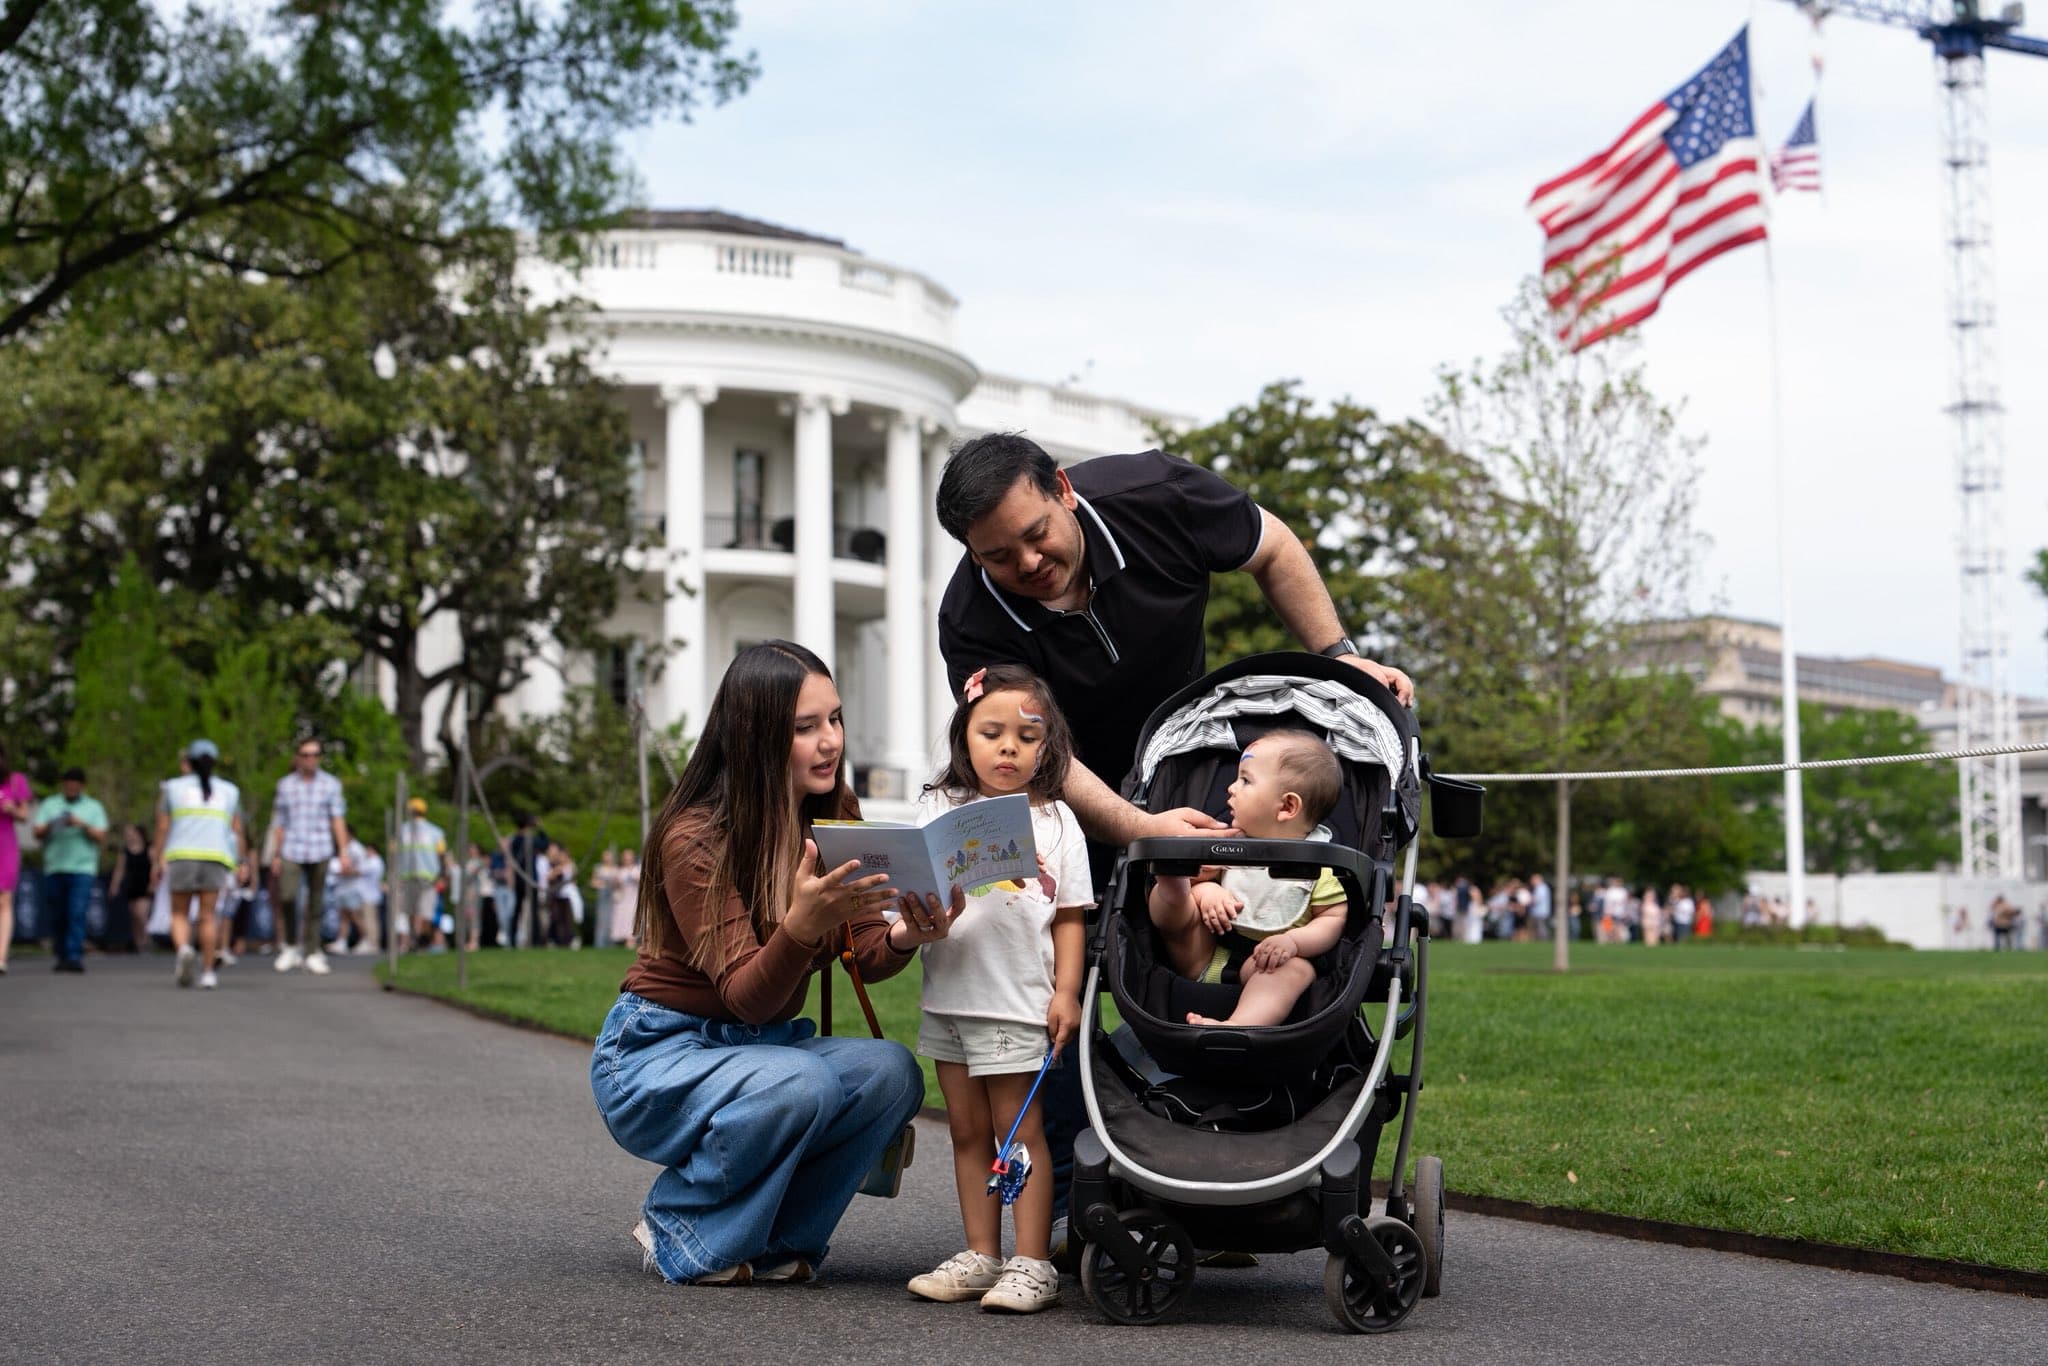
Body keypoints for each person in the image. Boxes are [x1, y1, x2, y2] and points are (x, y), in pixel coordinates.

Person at [933, 432, 1416, 1221]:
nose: (1027, 562)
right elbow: (1035, 748)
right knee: (1050, 975)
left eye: (1036, 534)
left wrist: (1338, 654)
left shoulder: (1156, 496)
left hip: (1183, 761)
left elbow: (1273, 547)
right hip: (1065, 793)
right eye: (997, 556)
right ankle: (1078, 1200)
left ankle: (1213, 1158)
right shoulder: (970, 619)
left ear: (1063, 490)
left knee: (1172, 953)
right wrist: (1140, 826)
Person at [591, 640, 958, 1286]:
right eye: (805, 727)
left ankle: (775, 1241)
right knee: (801, 1081)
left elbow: (866, 950)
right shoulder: (695, 836)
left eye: (835, 719)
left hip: (758, 1050)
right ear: (757, 736)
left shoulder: (834, 811)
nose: (831, 741)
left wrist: (907, 934)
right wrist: (801, 927)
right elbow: (748, 997)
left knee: (892, 1073)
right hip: (656, 1053)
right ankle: (681, 1223)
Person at [905, 664, 1093, 1314]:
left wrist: (1067, 992)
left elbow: (1071, 918)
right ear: (965, 735)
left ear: (1048, 744)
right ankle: (981, 1254)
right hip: (948, 1000)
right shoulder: (938, 807)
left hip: (1015, 1004)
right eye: (992, 733)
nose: (1008, 747)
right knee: (966, 1132)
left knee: (1019, 1134)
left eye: (1026, 735)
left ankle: (1032, 1262)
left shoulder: (1059, 821)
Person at [1148, 730, 1346, 1028]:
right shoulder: (1226, 842)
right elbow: (1201, 883)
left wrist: (1293, 942)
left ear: (1287, 807)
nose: (1231, 788)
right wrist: (1206, 892)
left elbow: (1333, 917)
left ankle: (1235, 1026)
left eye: (1245, 780)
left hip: (1267, 964)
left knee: (1296, 970)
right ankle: (1171, 881)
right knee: (1180, 904)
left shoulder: (1318, 864)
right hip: (1206, 955)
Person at [152, 740, 246, 990]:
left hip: (182, 856)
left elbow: (162, 826)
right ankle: (208, 972)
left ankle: (184, 949)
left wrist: (157, 858)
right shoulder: (229, 791)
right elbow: (237, 830)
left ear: (189, 762)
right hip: (215, 857)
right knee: (208, 916)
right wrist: (242, 861)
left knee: (179, 913)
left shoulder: (172, 788)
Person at [267, 738, 350, 975]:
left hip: (320, 847)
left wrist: (343, 851)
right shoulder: (285, 785)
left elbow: (337, 819)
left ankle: (312, 951)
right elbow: (279, 822)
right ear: (297, 757)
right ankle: (291, 945)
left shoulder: (330, 784)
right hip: (291, 848)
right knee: (287, 896)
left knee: (316, 902)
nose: (310, 759)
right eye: (305, 754)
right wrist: (276, 854)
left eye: (314, 754)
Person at [33, 768, 108, 973]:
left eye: (76, 784)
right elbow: (37, 832)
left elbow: (101, 836)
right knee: (58, 914)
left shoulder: (93, 807)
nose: (72, 788)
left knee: (77, 911)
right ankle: (61, 954)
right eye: (68, 784)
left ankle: (74, 956)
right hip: (55, 867)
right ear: (63, 784)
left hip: (83, 868)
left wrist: (80, 824)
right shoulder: (50, 804)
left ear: (82, 786)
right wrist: (54, 823)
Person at [395, 798, 449, 951]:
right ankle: (422, 941)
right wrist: (442, 876)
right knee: (426, 912)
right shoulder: (435, 831)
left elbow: (394, 854)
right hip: (429, 877)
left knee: (411, 911)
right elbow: (442, 856)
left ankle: (416, 940)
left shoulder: (401, 830)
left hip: (408, 877)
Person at [0, 750, 29, 974]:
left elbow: (24, 815)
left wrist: (11, 808)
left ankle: (1, 957)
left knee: (4, 900)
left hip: (5, 845)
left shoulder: (15, 781)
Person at [507, 811, 549, 949]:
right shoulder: (528, 840)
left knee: (518, 910)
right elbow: (545, 844)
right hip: (529, 878)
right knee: (532, 911)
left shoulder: (515, 840)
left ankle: (513, 939)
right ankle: (535, 939)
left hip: (520, 879)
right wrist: (541, 829)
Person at [110, 823, 153, 952]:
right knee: (133, 915)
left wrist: (153, 884)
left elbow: (155, 866)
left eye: (132, 833)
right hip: (131, 885)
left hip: (145, 885)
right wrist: (114, 885)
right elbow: (120, 869)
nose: (130, 836)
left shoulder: (149, 848)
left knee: (141, 914)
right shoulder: (125, 851)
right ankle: (138, 942)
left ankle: (147, 939)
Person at [608, 847, 641, 948]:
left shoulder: (637, 869)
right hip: (622, 899)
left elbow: (641, 882)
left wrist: (634, 878)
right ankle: (624, 940)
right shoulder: (619, 870)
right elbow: (615, 886)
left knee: (632, 918)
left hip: (633, 899)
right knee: (622, 918)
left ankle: (631, 940)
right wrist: (616, 881)